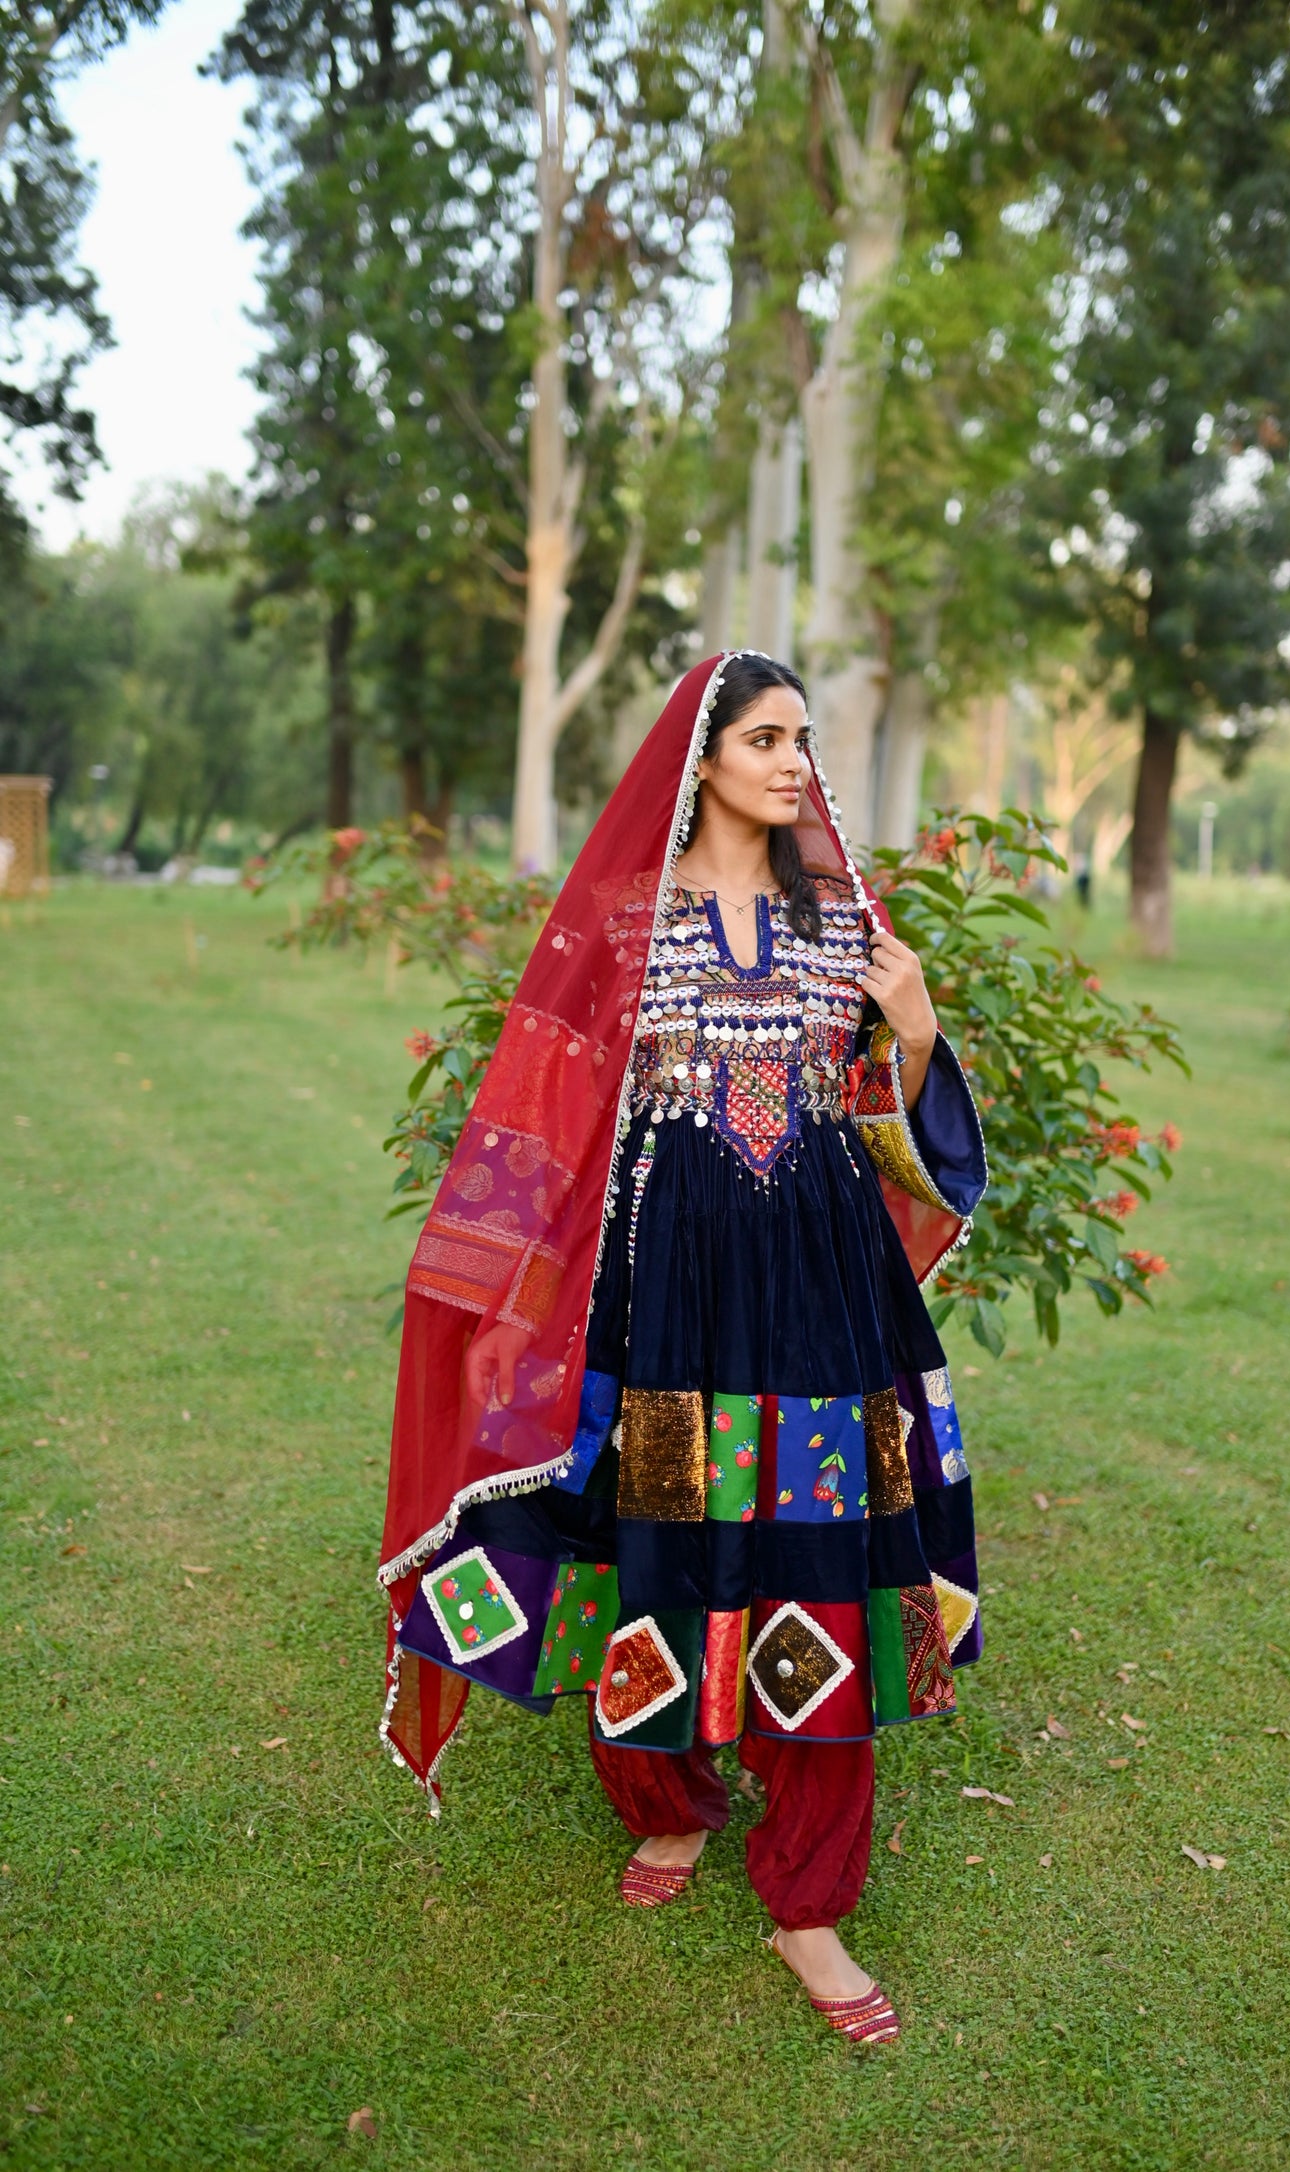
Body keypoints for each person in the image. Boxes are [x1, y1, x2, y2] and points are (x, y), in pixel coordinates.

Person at [379, 652, 987, 2045]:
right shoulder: (619, 922)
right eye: (765, 739)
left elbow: (892, 1125)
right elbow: (547, 1113)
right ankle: (666, 1798)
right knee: (657, 1523)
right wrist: (481, 1285)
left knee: (820, 1542)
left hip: (821, 1283)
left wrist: (914, 1029)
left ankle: (811, 1899)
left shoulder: (845, 920)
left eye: (802, 741)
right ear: (699, 758)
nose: (794, 765)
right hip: (667, 1289)